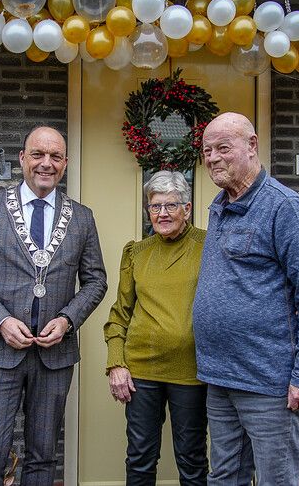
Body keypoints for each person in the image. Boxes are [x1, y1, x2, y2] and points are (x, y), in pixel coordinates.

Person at [0, 126, 107, 486]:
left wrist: (68, 319)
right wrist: (0, 320)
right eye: (38, 154)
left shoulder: (82, 217)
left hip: (54, 357)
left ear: (65, 163)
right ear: (22, 158)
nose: (46, 164)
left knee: (42, 460)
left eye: (55, 157)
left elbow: (96, 281)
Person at [193, 112, 299, 486]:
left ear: (252, 146)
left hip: (269, 383)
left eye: (224, 147)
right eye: (207, 150)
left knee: (276, 479)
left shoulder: (284, 207)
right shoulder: (219, 205)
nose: (213, 158)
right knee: (224, 477)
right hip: (220, 377)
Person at [104, 171, 209, 486]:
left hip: (192, 372)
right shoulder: (137, 252)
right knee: (140, 457)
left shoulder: (209, 246)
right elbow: (120, 313)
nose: (162, 214)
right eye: (155, 206)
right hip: (142, 372)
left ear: (187, 209)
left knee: (192, 458)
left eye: (171, 206)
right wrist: (116, 363)